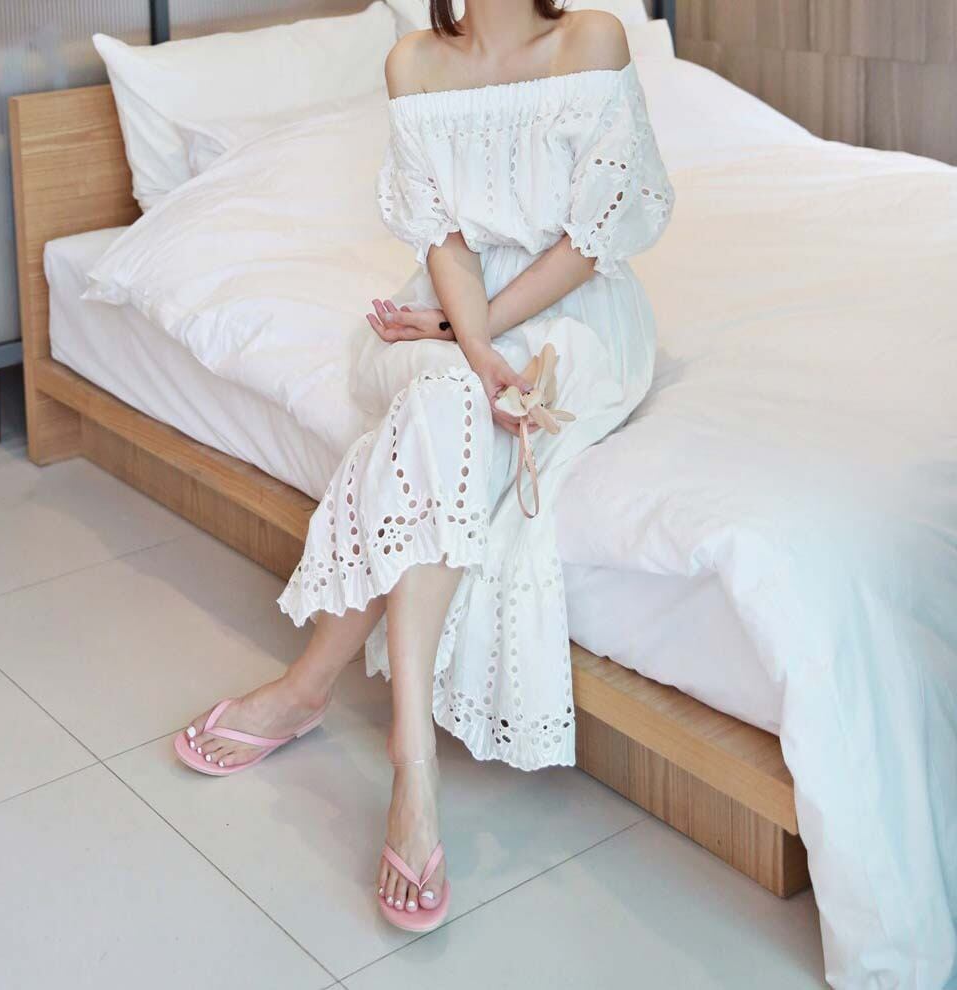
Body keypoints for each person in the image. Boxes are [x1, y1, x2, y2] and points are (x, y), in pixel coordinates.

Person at [175, 0, 673, 934]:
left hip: (575, 320)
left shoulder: (593, 40)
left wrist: (462, 333)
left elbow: (592, 238)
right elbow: (441, 238)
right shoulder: (412, 62)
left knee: (442, 407)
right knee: (447, 404)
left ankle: (314, 694)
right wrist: (471, 345)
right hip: (455, 313)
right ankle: (414, 762)